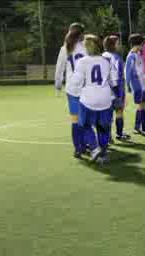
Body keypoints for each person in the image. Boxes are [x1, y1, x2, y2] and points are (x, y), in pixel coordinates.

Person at [69, 34, 119, 164]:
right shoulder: (106, 60)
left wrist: (74, 90)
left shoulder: (83, 61)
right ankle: (103, 154)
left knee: (84, 125)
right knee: (103, 127)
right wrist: (117, 97)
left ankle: (94, 147)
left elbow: (76, 82)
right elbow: (114, 81)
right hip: (105, 98)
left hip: (88, 99)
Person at [54, 22, 95, 158]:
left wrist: (58, 85)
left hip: (72, 88)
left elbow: (59, 69)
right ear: (82, 34)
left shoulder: (65, 48)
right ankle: (88, 145)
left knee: (75, 120)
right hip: (86, 88)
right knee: (86, 120)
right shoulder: (86, 48)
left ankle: (78, 148)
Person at [102, 35, 131, 141]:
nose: (120, 45)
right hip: (115, 89)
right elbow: (116, 76)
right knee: (119, 111)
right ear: (113, 45)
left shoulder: (102, 56)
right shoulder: (115, 57)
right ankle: (119, 133)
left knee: (107, 115)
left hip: (103, 90)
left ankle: (107, 136)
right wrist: (118, 93)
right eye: (118, 43)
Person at [126, 33, 145, 136]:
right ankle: (140, 127)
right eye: (142, 43)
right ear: (138, 44)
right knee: (142, 105)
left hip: (142, 84)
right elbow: (128, 72)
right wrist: (128, 85)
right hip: (137, 85)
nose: (143, 45)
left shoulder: (138, 54)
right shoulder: (131, 56)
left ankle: (142, 127)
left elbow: (141, 69)